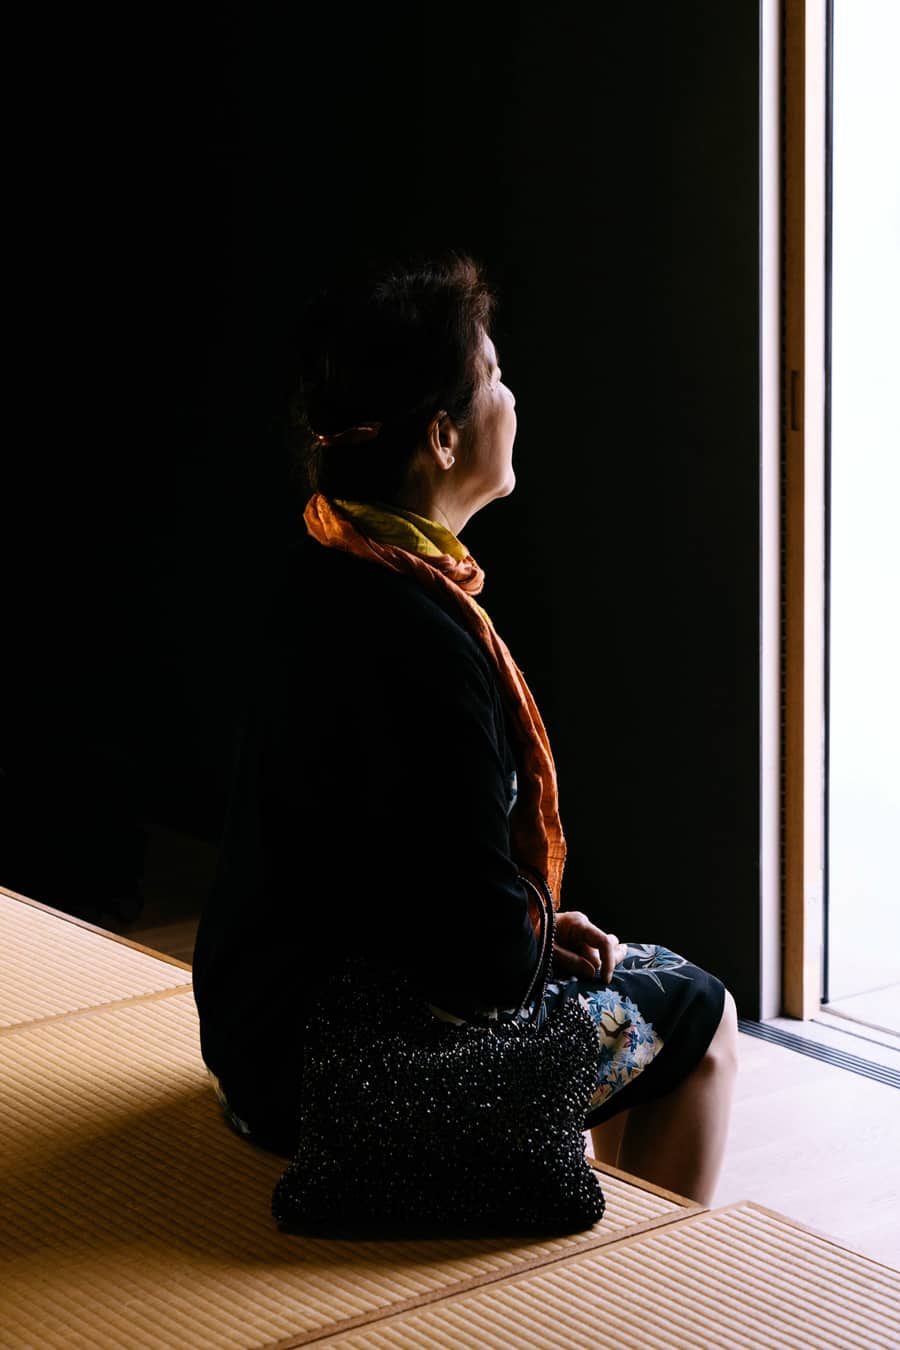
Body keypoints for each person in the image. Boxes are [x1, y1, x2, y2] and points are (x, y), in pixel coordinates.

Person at [192, 251, 738, 1206]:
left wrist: (527, 931)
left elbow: (370, 872)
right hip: (355, 1091)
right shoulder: (424, 637)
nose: (511, 398)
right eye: (493, 378)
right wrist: (524, 937)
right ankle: (647, 1280)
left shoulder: (320, 568)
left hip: (257, 1041)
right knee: (700, 1010)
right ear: (442, 437)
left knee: (609, 981)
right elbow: (481, 965)